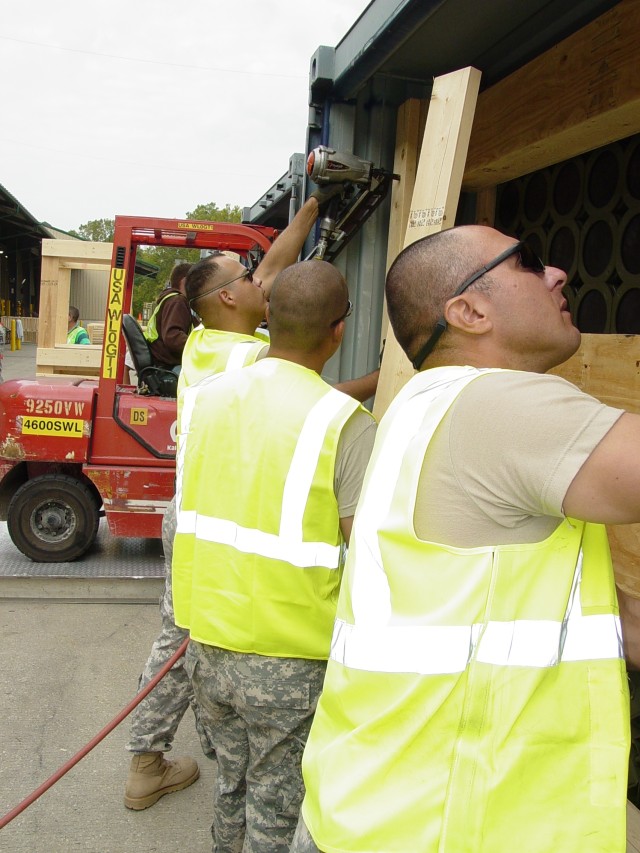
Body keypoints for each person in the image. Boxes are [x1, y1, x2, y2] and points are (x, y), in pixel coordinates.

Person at [292, 225, 640, 853]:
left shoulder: (419, 406)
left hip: (373, 809)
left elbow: (514, 597)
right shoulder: (502, 406)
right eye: (529, 262)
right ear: (468, 310)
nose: (557, 274)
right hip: (447, 827)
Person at [123, 189, 357, 810]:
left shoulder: (209, 341)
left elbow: (273, 271)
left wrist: (309, 207)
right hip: (211, 510)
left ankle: (177, 751)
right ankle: (146, 760)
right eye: (248, 279)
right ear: (229, 298)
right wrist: (381, 383)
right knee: (186, 638)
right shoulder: (250, 356)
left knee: (186, 634)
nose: (264, 282)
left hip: (201, 504)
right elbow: (301, 376)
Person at [172, 260, 377, 851]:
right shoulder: (345, 423)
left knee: (231, 783)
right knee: (278, 804)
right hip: (291, 658)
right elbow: (364, 546)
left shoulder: (207, 401)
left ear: (271, 318)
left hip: (208, 644)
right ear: (338, 331)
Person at [145, 262, 193, 373]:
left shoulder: (170, 300)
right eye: (196, 281)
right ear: (185, 281)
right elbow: (173, 337)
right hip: (169, 367)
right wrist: (199, 346)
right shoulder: (177, 301)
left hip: (163, 363)